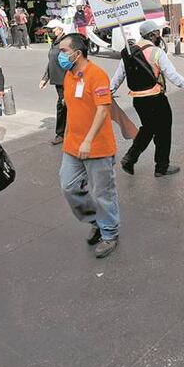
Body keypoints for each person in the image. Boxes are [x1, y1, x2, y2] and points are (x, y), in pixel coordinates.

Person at [112, 20, 184, 177]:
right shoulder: (156, 52)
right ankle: (161, 167)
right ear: (152, 34)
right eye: (158, 33)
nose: (159, 36)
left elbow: (118, 76)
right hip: (156, 98)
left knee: (148, 128)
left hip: (138, 100)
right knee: (163, 131)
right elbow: (173, 76)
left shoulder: (129, 52)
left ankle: (131, 157)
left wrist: (109, 91)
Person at [57, 33, 122, 258]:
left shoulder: (97, 75)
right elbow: (72, 110)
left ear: (77, 53)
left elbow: (103, 109)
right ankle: (95, 219)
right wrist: (68, 137)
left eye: (63, 51)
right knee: (69, 186)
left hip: (97, 147)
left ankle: (109, 233)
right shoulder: (69, 75)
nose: (60, 55)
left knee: (103, 193)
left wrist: (87, 140)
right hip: (72, 146)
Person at [40, 19, 69, 145]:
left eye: (52, 29)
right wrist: (45, 78)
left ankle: (62, 133)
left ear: (60, 29)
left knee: (65, 106)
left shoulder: (66, 43)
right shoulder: (54, 43)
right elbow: (51, 62)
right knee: (63, 106)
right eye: (49, 30)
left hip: (67, 79)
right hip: (58, 81)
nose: (50, 32)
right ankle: (62, 133)